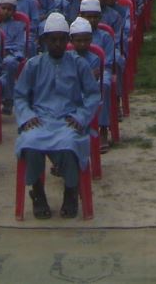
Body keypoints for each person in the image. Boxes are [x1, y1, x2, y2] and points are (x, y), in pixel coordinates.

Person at [14, 12, 100, 219]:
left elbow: (92, 95)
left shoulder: (79, 64)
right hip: (41, 118)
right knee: (30, 141)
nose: (58, 44)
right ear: (44, 41)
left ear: (68, 41)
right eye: (53, 40)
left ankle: (71, 191)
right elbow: (19, 96)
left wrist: (81, 117)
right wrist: (26, 116)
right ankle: (38, 193)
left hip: (68, 118)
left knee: (70, 142)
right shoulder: (33, 64)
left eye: (62, 39)